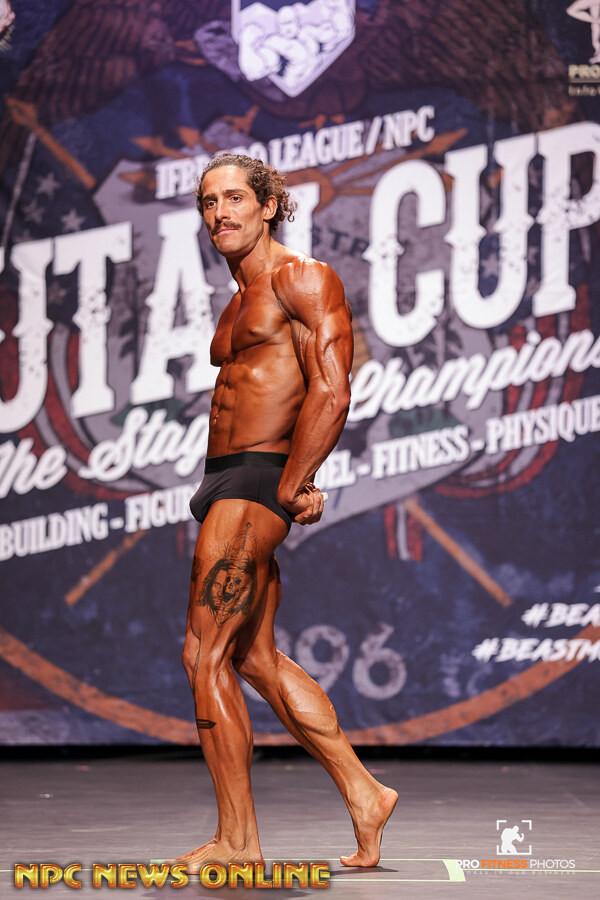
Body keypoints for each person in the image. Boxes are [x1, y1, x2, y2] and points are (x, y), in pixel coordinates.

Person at [176, 153, 397, 872]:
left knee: (203, 653)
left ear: (268, 205)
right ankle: (365, 792)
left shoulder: (301, 278)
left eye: (235, 198)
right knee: (253, 658)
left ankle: (238, 842)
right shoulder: (237, 300)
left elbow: (332, 388)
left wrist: (297, 482)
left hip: (259, 480)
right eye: (209, 202)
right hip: (225, 477)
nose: (220, 213)